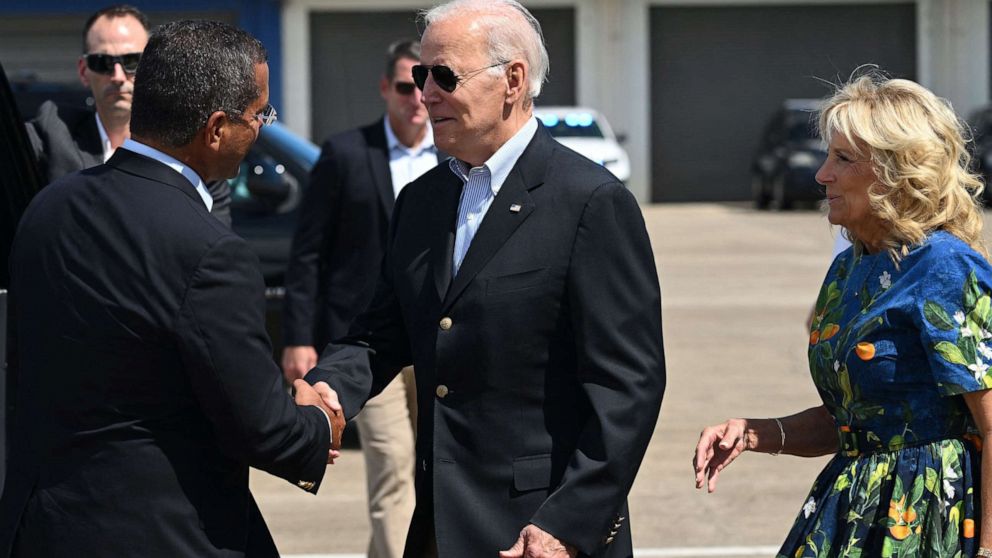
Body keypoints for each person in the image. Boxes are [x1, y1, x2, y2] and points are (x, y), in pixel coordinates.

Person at [305, 1, 666, 556]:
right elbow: (381, 331)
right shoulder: (421, 201)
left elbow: (628, 388)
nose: (426, 93)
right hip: (440, 526)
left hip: (539, 533)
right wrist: (331, 388)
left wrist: (570, 522)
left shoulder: (590, 201)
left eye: (444, 75)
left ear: (513, 80)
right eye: (421, 76)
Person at [0, 20, 343, 557]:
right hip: (164, 534)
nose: (260, 129)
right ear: (214, 129)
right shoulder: (211, 251)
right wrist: (317, 419)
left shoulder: (48, 208)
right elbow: (260, 427)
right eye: (259, 116)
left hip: (44, 527)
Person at [694, 72, 992, 557]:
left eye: (843, 159)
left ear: (900, 171)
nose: (821, 174)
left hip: (930, 523)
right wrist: (753, 433)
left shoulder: (947, 268)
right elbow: (856, 423)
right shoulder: (848, 269)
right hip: (854, 512)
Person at [281, 39, 439, 558]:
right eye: (404, 85)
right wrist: (301, 338)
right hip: (372, 343)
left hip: (440, 342)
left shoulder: (456, 154)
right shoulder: (347, 154)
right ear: (384, 90)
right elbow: (308, 253)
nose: (417, 96)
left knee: (436, 469)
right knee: (393, 465)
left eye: (426, 83)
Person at [24, 4, 232, 226]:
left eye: (132, 61)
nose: (117, 75)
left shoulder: (193, 151)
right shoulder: (52, 134)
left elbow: (210, 245)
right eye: (102, 62)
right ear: (84, 71)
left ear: (154, 67)